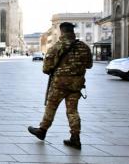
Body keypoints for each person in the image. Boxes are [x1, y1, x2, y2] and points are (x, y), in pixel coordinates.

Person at [28, 22, 92, 150]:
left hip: (59, 85)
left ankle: (42, 130)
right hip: (76, 85)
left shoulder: (56, 47)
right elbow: (89, 65)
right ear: (72, 31)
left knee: (51, 107)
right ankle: (75, 138)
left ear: (62, 32)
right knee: (72, 111)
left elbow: (46, 69)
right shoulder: (84, 47)